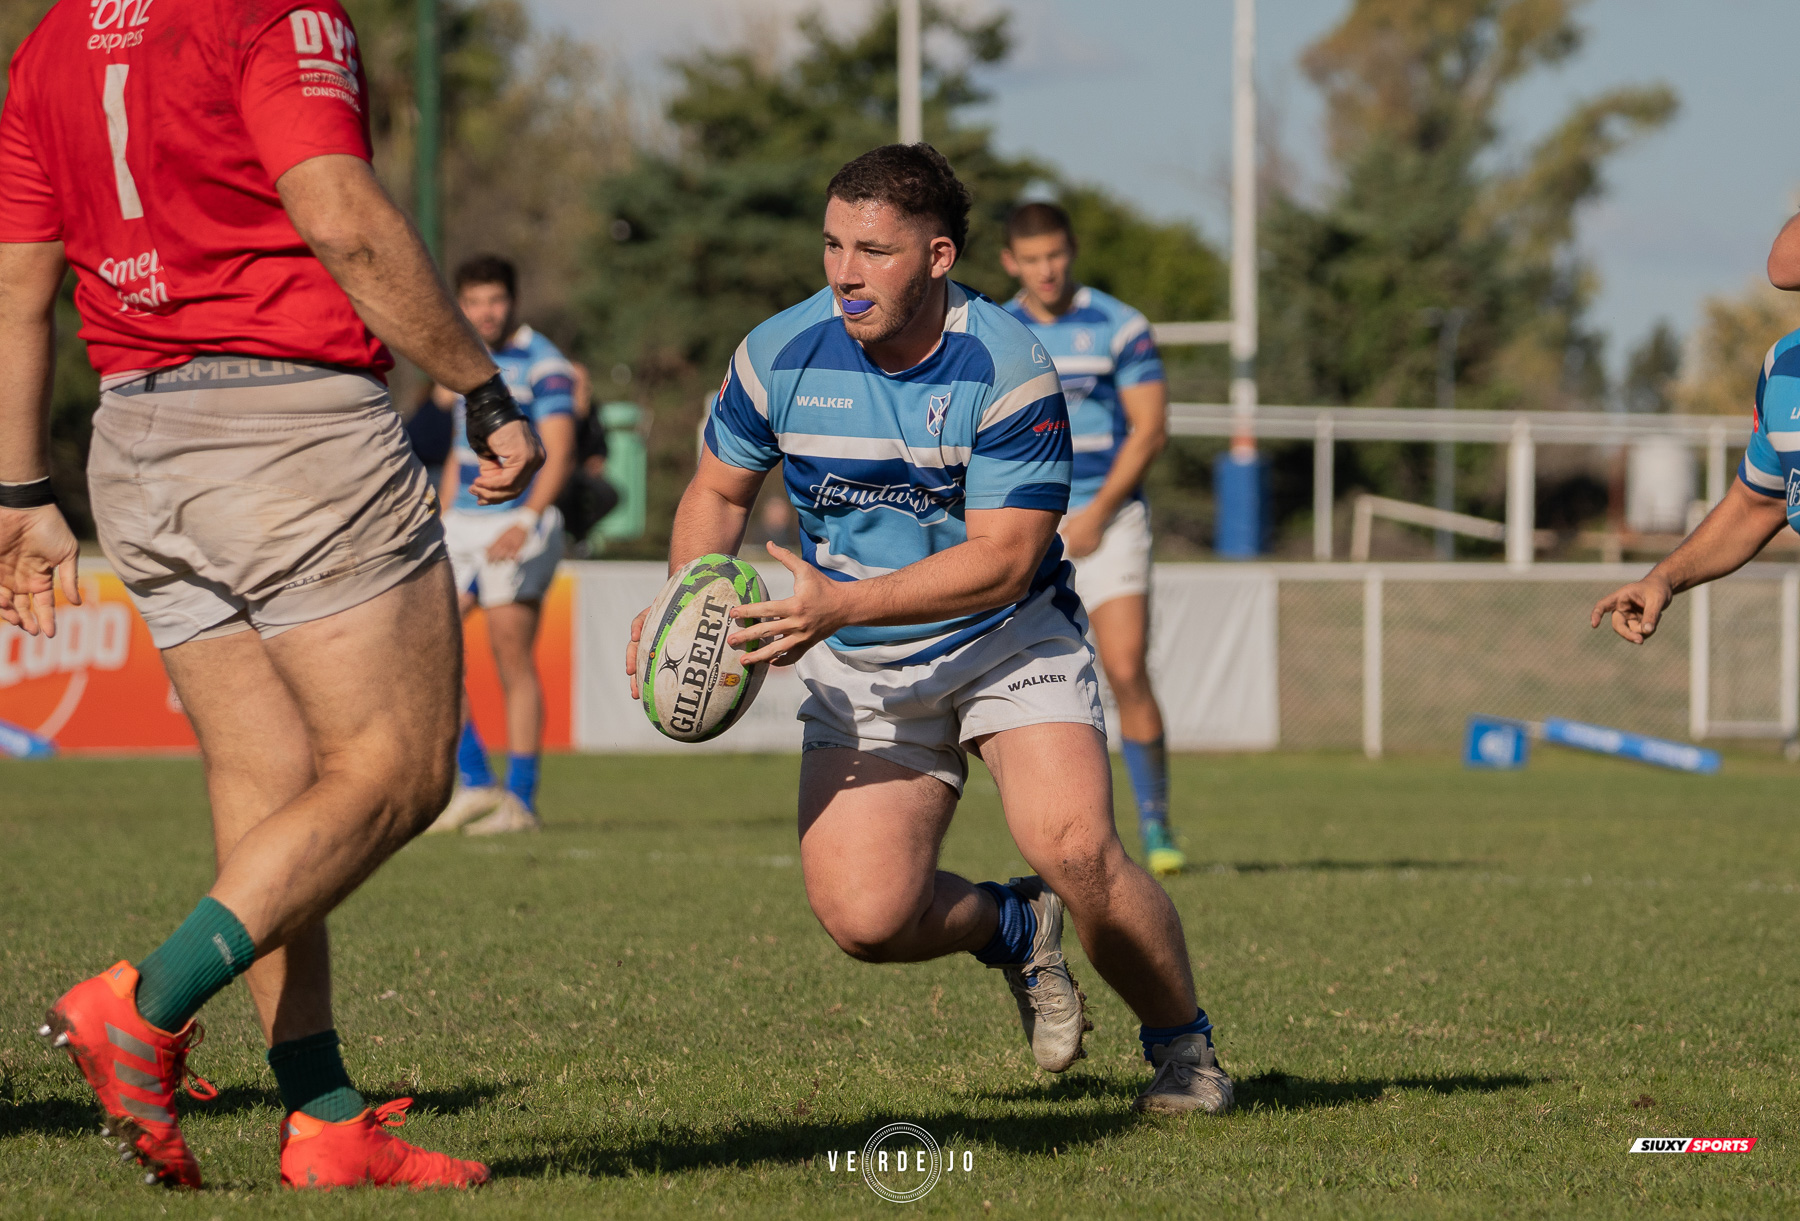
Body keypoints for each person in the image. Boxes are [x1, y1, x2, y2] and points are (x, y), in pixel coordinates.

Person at [0, 0, 543, 1191]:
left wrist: (19, 487)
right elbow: (340, 218)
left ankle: (325, 1117)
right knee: (402, 768)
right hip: (287, 425)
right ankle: (143, 1005)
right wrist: (481, 386)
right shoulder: (268, 10)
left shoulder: (49, 42)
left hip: (135, 435)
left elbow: (17, 281)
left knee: (269, 783)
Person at [628, 144, 1233, 1115]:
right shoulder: (777, 353)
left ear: (939, 256)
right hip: (864, 664)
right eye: (833, 244)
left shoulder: (1008, 367)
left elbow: (1006, 558)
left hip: (1008, 637)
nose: (845, 273)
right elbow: (717, 490)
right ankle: (1011, 927)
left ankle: (1185, 1051)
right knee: (866, 919)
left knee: (1075, 847)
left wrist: (839, 605)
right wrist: (685, 605)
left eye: (874, 251)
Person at [999, 202, 1185, 876]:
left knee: (1126, 667)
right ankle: (1056, 829)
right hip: (1025, 522)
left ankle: (1157, 823)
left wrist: (1099, 513)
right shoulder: (998, 330)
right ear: (1010, 262)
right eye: (1032, 259)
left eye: (1055, 254)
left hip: (1111, 519)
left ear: (1072, 250)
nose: (1046, 269)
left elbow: (1151, 428)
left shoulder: (1120, 325)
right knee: (1011, 679)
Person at [428, 256, 577, 835]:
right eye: (473, 302)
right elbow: (457, 453)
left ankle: (520, 800)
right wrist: (442, 514)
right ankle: (475, 784)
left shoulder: (544, 362)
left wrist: (527, 519)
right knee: (430, 649)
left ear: (512, 301)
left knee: (509, 656)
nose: (484, 312)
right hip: (462, 522)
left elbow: (558, 449)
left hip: (516, 519)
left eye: (494, 300)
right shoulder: (465, 361)